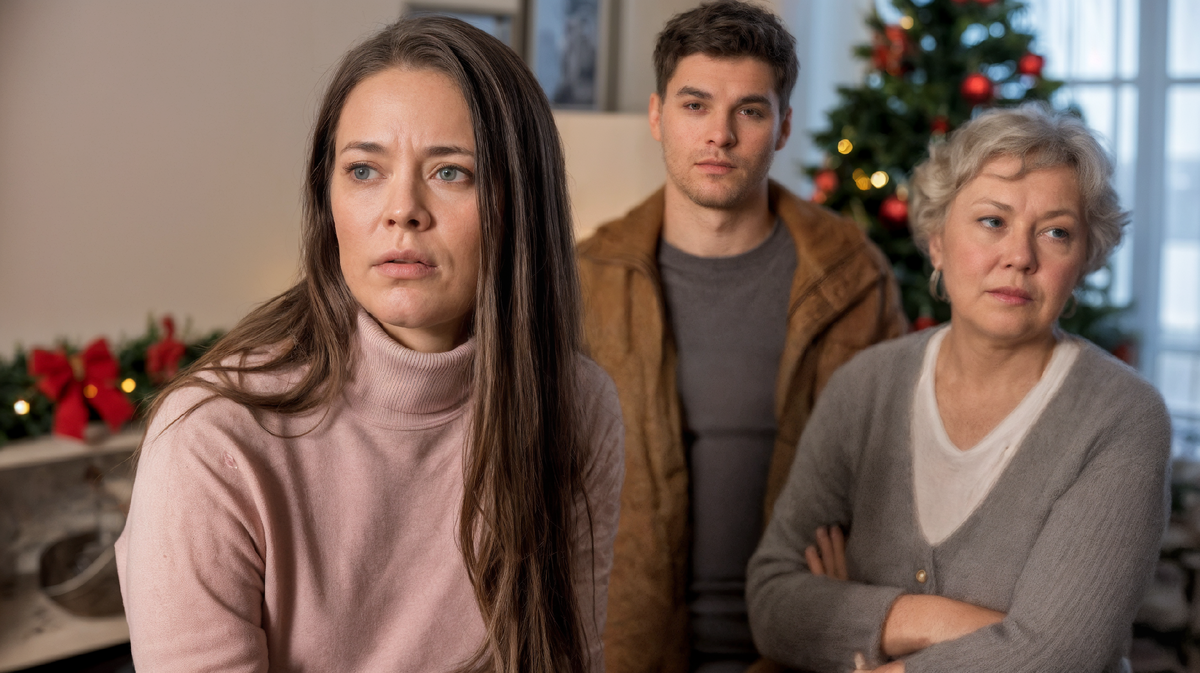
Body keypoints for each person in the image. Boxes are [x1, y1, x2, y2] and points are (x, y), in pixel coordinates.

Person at [115, 15, 624, 673]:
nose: (401, 209)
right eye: (364, 170)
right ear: (327, 201)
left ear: (521, 203)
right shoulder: (209, 440)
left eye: (452, 172)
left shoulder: (578, 406)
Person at [747, 104, 1172, 673]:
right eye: (993, 221)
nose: (1019, 257)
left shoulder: (1122, 417)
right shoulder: (862, 388)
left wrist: (852, 614)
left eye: (1056, 232)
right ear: (937, 241)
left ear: (1083, 261)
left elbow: (1064, 656)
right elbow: (773, 602)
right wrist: (958, 626)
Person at [576, 2, 906, 672]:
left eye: (749, 111)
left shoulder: (852, 277)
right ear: (657, 115)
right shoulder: (586, 279)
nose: (719, 135)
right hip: (624, 649)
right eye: (695, 105)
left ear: (783, 126)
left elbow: (897, 470)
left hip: (804, 646)